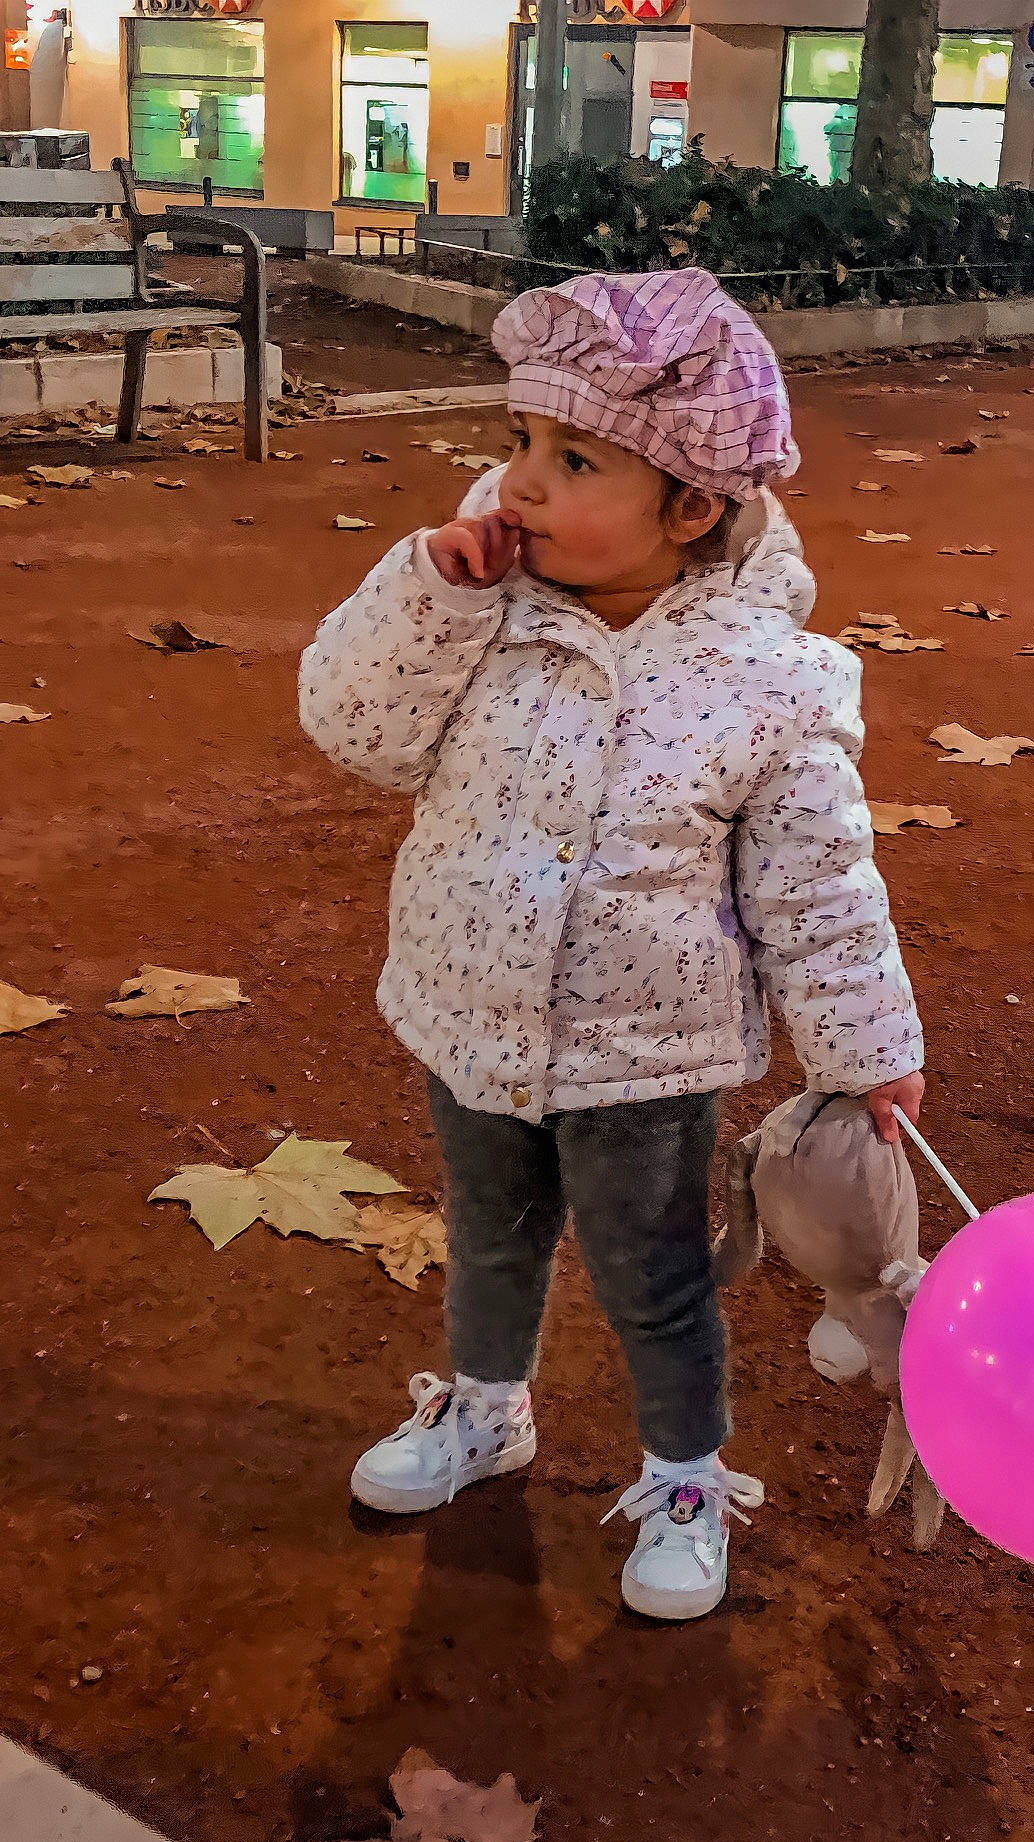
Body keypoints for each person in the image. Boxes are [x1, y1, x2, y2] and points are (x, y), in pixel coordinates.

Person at [298, 268, 925, 1623]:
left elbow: (821, 885)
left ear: (691, 507)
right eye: (520, 439)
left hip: (646, 1056)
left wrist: (868, 1047)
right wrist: (429, 594)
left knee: (654, 1279)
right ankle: (487, 1412)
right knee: (490, 1240)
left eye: (573, 460)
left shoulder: (769, 681)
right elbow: (358, 733)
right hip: (470, 1012)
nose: (519, 481)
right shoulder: (481, 614)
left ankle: (686, 1477)